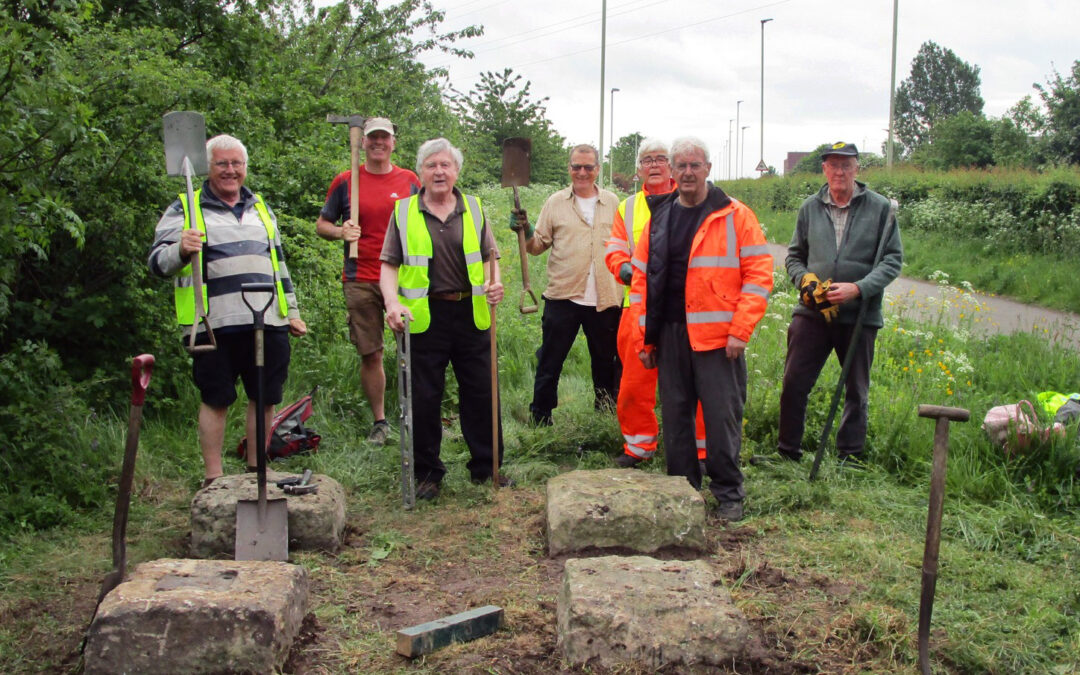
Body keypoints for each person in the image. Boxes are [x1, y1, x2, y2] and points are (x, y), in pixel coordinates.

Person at [149, 134, 307, 488]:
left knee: (264, 396)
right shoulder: (185, 207)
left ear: (245, 167)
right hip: (212, 322)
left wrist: (292, 311)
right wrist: (180, 249)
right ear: (208, 167)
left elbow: (279, 265)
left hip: (267, 318)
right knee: (216, 397)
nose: (230, 170)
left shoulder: (261, 207)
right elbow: (157, 263)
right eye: (222, 163)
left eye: (237, 163)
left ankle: (257, 471)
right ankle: (213, 478)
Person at [632, 137, 773, 522]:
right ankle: (683, 492)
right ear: (672, 172)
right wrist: (646, 339)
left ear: (708, 169)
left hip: (719, 340)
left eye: (695, 165)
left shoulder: (735, 215)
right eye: (681, 166)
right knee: (677, 420)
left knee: (721, 419)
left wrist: (741, 330)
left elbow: (759, 276)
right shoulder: (660, 217)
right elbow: (642, 281)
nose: (688, 172)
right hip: (671, 336)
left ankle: (728, 494)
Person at [380, 138, 509, 500]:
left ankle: (487, 467)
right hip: (423, 317)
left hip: (471, 314)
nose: (439, 171)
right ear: (420, 172)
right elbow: (388, 265)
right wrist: (391, 303)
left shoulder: (474, 208)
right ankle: (427, 474)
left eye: (445, 165)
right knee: (423, 397)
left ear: (456, 171)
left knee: (482, 393)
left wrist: (495, 284)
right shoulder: (404, 212)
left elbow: (490, 258)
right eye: (431, 165)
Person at [775, 142, 902, 465]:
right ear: (824, 169)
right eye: (833, 165)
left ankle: (850, 457)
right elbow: (794, 257)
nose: (839, 172)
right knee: (793, 382)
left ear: (857, 168)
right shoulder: (810, 208)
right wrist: (804, 281)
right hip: (813, 313)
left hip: (860, 315)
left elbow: (892, 261)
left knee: (856, 389)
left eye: (846, 165)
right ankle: (788, 452)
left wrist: (858, 289)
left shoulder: (881, 209)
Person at [316, 117, 420, 444]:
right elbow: (322, 224)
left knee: (414, 349)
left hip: (404, 277)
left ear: (393, 143)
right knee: (371, 352)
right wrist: (340, 232)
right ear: (363, 143)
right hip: (360, 276)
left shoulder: (410, 181)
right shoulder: (346, 181)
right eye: (372, 137)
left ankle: (417, 415)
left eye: (384, 138)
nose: (378, 143)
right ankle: (380, 421)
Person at [604, 138, 706, 468]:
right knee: (634, 383)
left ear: (672, 166)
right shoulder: (627, 207)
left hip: (685, 308)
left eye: (661, 159)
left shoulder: (694, 198)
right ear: (638, 169)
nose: (654, 165)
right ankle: (638, 446)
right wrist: (624, 268)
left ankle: (702, 450)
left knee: (695, 381)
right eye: (647, 160)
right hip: (637, 307)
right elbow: (614, 248)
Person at [512, 144, 621, 426]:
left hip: (605, 299)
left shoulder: (613, 202)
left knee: (605, 363)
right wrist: (525, 230)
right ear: (569, 168)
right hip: (563, 297)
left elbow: (624, 244)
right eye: (576, 167)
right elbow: (536, 246)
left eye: (588, 167)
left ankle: (605, 418)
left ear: (597, 169)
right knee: (550, 361)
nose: (582, 172)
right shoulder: (555, 202)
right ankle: (540, 417)